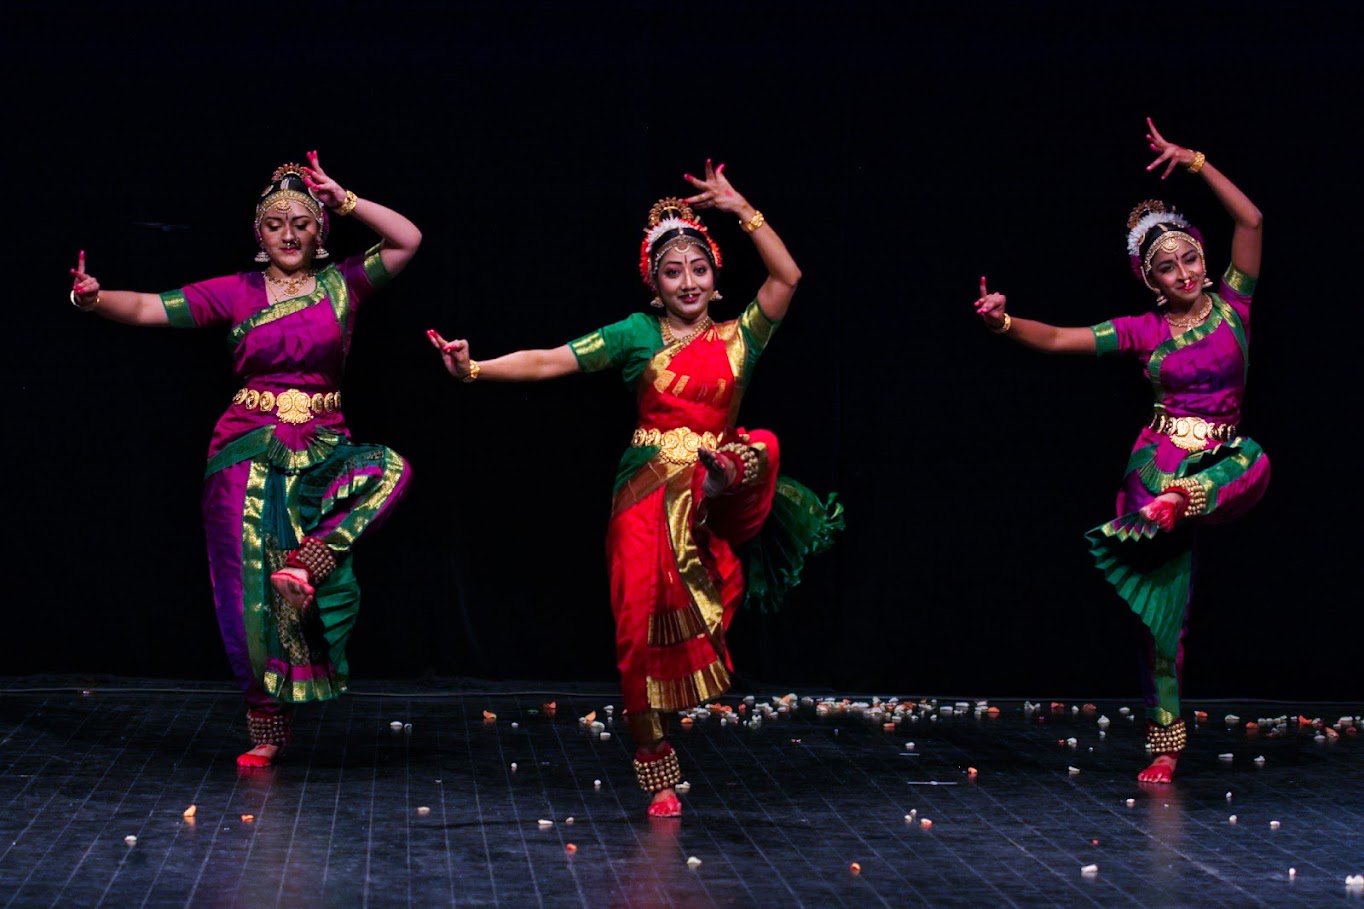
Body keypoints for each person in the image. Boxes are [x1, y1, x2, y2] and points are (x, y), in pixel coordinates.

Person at [428, 160, 842, 816]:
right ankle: (652, 751)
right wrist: (475, 367)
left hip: (711, 497)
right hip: (645, 492)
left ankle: (724, 476)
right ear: (653, 282)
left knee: (759, 444)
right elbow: (551, 360)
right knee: (634, 624)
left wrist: (740, 208)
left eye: (698, 268)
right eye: (672, 271)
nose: (687, 281)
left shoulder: (740, 340)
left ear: (714, 276)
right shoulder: (634, 334)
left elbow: (788, 276)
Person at [69, 151, 421, 767]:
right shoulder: (235, 292)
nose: (289, 233)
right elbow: (153, 307)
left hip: (324, 447)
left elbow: (408, 240)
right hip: (245, 451)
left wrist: (346, 199)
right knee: (248, 595)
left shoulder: (344, 284)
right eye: (275, 223)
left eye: (302, 222)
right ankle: (265, 725)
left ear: (320, 231)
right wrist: (94, 301)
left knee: (390, 470)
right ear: (257, 234)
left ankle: (313, 560)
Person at [972, 119, 1270, 783]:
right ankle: (1164, 742)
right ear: (1151, 279)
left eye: (1192, 257)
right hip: (1158, 465)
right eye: (1169, 265)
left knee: (1257, 460)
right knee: (1162, 621)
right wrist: (1003, 322)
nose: (1187, 271)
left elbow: (1250, 219)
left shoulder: (1234, 307)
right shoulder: (1146, 330)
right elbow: (1058, 340)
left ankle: (1181, 500)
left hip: (1218, 465)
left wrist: (1194, 160)